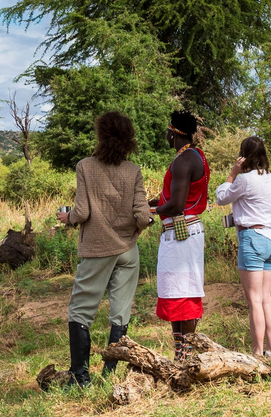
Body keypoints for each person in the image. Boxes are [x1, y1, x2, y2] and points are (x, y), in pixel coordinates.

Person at [54, 111, 154, 387]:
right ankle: (110, 376)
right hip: (127, 250)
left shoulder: (85, 166)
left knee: (80, 311)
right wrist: (137, 229)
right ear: (128, 138)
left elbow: (83, 212)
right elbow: (143, 215)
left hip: (97, 248)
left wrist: (69, 218)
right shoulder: (133, 170)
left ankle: (80, 376)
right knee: (120, 313)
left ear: (101, 135)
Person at [216, 135, 271, 357]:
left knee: (254, 300)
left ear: (244, 156)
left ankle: (256, 353)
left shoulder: (244, 179)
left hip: (252, 238)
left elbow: (221, 198)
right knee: (266, 298)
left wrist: (232, 173)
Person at [151, 110, 209, 362]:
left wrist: (149, 210)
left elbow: (175, 206)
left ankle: (185, 357)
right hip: (184, 232)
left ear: (173, 132)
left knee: (182, 296)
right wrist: (152, 203)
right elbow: (174, 200)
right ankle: (181, 354)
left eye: (167, 131)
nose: (166, 135)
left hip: (181, 235)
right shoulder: (196, 156)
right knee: (177, 294)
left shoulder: (184, 160)